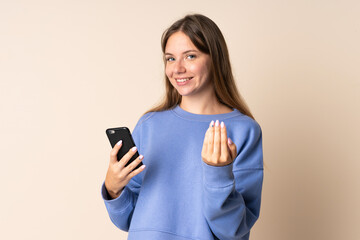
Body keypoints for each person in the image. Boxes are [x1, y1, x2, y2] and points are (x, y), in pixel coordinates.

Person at [101, 13, 263, 240]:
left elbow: (232, 230)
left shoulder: (244, 131)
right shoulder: (149, 125)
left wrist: (218, 174)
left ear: (215, 58)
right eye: (170, 58)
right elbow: (129, 219)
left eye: (190, 56)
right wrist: (113, 189)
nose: (177, 69)